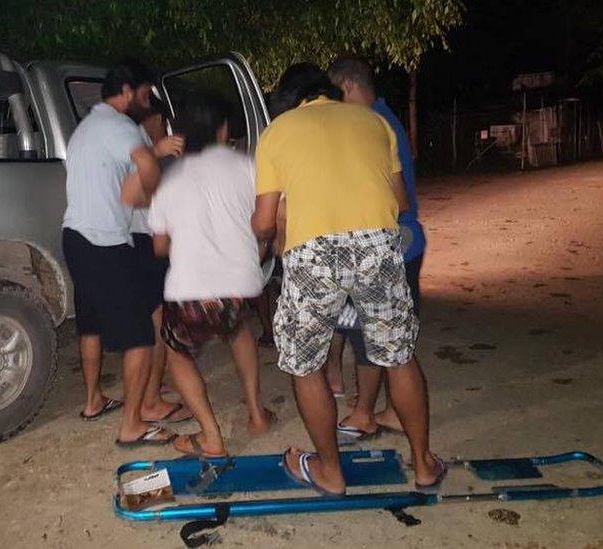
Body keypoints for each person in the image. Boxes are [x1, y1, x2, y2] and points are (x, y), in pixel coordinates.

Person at [251, 63, 444, 495]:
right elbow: (399, 201)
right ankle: (425, 465)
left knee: (306, 364)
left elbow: (264, 223)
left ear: (289, 100)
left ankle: (330, 471)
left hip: (314, 252)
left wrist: (269, 232)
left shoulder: (278, 132)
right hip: (377, 245)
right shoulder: (374, 122)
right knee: (398, 355)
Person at [128, 94, 274, 457]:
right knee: (239, 330)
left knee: (177, 352)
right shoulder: (248, 166)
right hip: (242, 286)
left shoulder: (171, 178)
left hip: (192, 292)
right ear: (223, 130)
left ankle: (210, 436)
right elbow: (266, 223)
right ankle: (257, 414)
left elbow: (159, 248)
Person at [61, 60, 177, 447]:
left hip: (77, 237)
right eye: (142, 92)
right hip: (104, 243)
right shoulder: (120, 125)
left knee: (91, 322)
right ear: (127, 90)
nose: (145, 100)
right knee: (142, 335)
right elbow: (144, 162)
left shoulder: (87, 128)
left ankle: (94, 401)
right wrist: (152, 191)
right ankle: (133, 424)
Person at [323, 57, 428, 437]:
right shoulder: (383, 120)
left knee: (377, 340)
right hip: (400, 242)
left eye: (334, 94)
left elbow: (392, 198)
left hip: (389, 245)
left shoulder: (372, 124)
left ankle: (366, 413)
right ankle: (385, 412)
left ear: (348, 85)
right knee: (384, 339)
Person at [128, 92, 195, 424]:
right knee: (156, 323)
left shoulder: (136, 141)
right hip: (145, 239)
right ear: (151, 117)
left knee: (154, 320)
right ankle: (150, 400)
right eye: (161, 119)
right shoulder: (142, 144)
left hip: (141, 238)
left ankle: (151, 391)